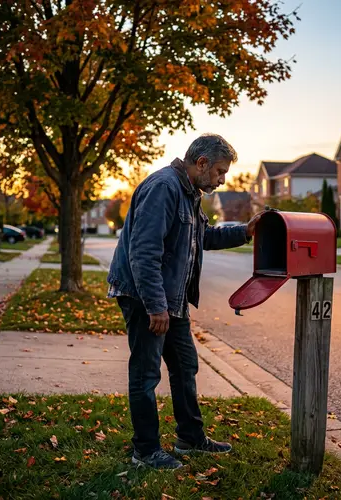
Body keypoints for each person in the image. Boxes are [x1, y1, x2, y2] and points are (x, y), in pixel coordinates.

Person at [107, 134, 262, 470]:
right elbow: (144, 252)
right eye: (220, 171)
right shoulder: (164, 187)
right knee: (146, 374)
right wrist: (155, 306)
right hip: (144, 297)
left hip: (170, 298)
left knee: (185, 366)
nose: (222, 180)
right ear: (202, 163)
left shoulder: (189, 193)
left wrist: (246, 231)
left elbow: (203, 236)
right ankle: (145, 451)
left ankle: (190, 438)